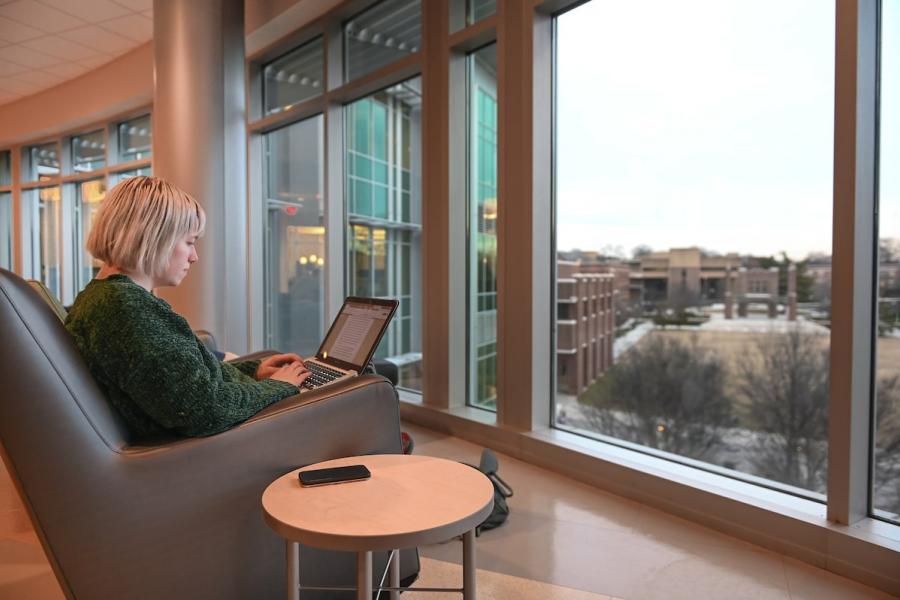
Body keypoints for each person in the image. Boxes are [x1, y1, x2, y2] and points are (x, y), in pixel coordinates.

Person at [65, 176, 310, 438]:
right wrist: (277, 386)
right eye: (189, 242)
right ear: (154, 238)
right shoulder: (126, 309)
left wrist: (254, 371)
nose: (194, 257)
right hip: (194, 454)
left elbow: (180, 384)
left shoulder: (103, 297)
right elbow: (203, 409)